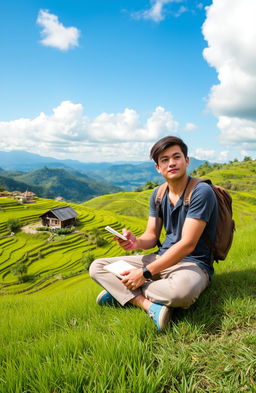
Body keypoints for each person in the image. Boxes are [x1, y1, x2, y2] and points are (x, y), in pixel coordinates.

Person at [89, 136, 218, 330]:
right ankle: (146, 304)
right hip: (160, 258)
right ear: (158, 167)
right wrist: (135, 242)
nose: (171, 163)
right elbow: (151, 236)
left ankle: (121, 292)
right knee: (97, 266)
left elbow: (188, 244)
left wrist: (144, 273)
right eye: (164, 160)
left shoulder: (201, 192)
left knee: (181, 294)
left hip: (194, 263)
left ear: (187, 160)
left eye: (176, 157)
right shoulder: (158, 194)